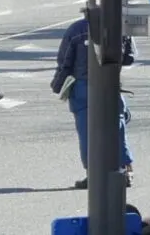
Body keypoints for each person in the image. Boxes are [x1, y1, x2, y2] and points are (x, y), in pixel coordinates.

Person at [50, 11, 137, 189]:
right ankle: (125, 170)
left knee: (87, 131)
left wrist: (57, 85)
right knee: (117, 126)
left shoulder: (76, 30)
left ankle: (94, 174)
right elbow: (130, 57)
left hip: (83, 87)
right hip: (111, 84)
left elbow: (65, 61)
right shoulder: (120, 27)